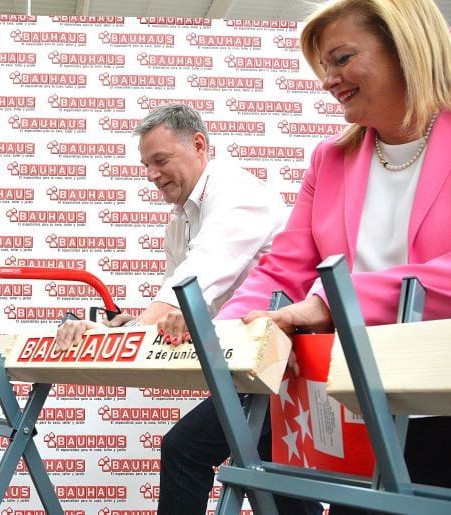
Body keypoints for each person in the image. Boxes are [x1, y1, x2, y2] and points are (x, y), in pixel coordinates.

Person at [161, 0, 451, 513]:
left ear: (405, 48)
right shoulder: (330, 159)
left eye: (341, 58)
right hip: (356, 397)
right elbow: (286, 266)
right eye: (323, 66)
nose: (328, 79)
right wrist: (229, 336)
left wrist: (332, 303)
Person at [53, 104, 319, 513]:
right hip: (255, 367)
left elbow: (191, 287)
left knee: (186, 451)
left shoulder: (236, 193)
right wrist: (131, 324)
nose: (152, 175)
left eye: (160, 160)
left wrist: (123, 333)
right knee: (272, 479)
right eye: (146, 164)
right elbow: (182, 308)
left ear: (198, 145)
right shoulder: (180, 219)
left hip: (282, 366)